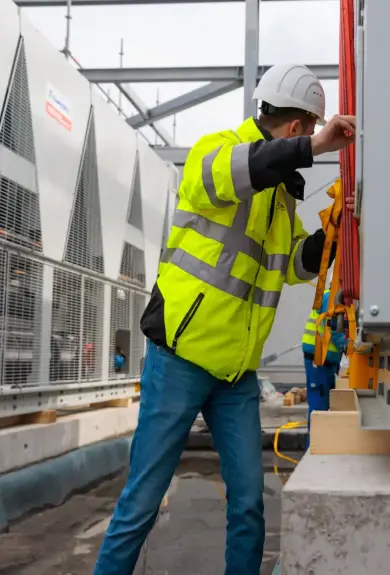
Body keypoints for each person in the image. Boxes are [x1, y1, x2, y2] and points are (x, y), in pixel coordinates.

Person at [92, 64, 356, 575]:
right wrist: (316, 149)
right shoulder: (216, 151)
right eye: (308, 130)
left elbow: (294, 264)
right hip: (181, 360)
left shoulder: (280, 196)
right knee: (141, 504)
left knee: (249, 507)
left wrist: (328, 239)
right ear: (299, 127)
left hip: (236, 374)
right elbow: (240, 170)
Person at [302, 287, 348, 445]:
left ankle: (319, 447)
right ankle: (313, 449)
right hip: (319, 360)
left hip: (324, 361)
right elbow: (335, 330)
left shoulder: (334, 298)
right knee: (319, 408)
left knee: (324, 405)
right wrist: (351, 347)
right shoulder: (332, 298)